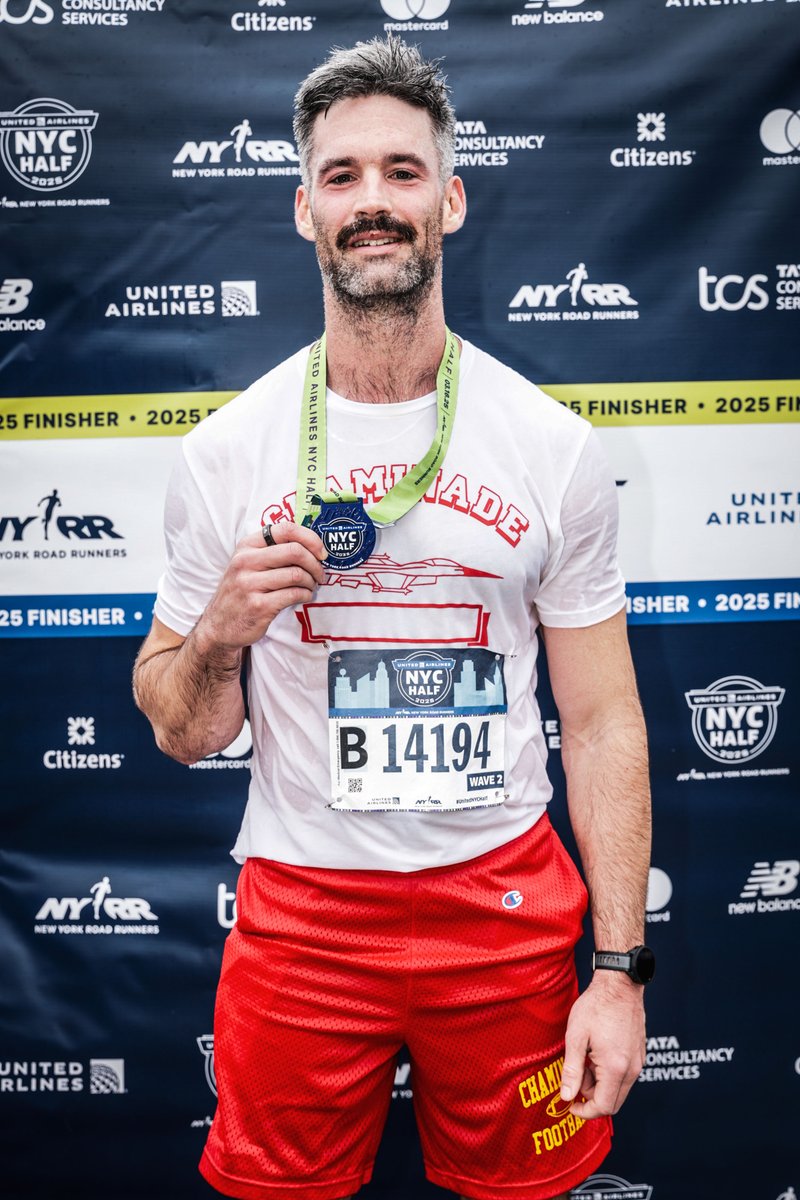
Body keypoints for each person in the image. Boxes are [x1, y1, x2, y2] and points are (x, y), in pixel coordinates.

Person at [133, 35, 652, 1200]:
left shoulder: (553, 449)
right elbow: (182, 729)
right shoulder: (226, 452)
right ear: (304, 210)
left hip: (502, 909)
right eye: (342, 175)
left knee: (521, 1190)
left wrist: (617, 970)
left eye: (402, 171)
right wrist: (217, 634)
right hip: (302, 916)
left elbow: (601, 718)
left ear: (448, 201)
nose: (372, 200)